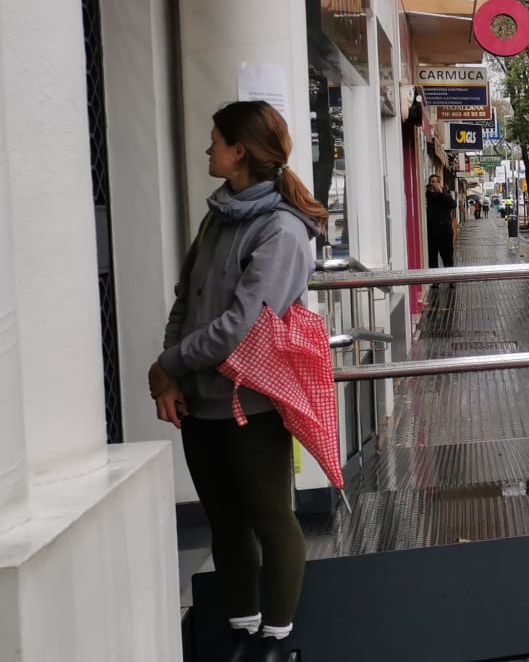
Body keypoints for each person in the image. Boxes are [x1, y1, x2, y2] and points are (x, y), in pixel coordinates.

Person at [149, 100, 326, 662]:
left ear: (240, 151)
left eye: (215, 139)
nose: (208, 149)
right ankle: (243, 630)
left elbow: (241, 325)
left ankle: (279, 640)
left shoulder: (282, 229)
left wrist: (169, 364)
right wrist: (169, 374)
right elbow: (186, 301)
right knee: (223, 522)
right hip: (198, 403)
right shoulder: (215, 217)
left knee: (272, 520)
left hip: (255, 407)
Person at [425, 173, 457, 267]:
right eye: (431, 182)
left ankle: (450, 277)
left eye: (435, 182)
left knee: (447, 256)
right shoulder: (427, 194)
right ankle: (434, 279)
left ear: (439, 183)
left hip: (444, 231)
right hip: (432, 232)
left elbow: (453, 205)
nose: (433, 184)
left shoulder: (445, 193)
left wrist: (442, 193)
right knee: (432, 258)